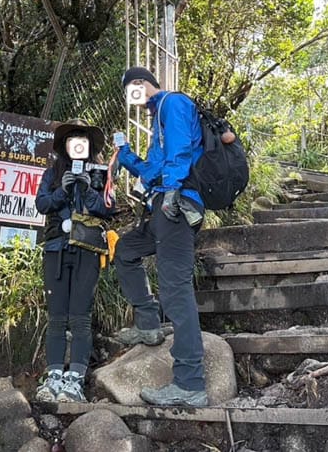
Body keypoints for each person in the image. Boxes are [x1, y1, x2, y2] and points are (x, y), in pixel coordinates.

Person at [111, 66, 208, 407]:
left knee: (176, 289)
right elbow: (154, 169)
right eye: (129, 90)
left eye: (135, 86)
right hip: (159, 210)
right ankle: (149, 326)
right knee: (125, 250)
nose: (133, 93)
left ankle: (190, 382)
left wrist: (170, 191)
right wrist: (125, 155)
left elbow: (181, 151)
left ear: (146, 85)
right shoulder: (157, 120)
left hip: (176, 208)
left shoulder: (173, 102)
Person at [33, 118, 114, 403]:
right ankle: (53, 377)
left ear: (89, 146)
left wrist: (88, 188)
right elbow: (42, 204)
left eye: (83, 141)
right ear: (64, 147)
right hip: (56, 249)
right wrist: (63, 189)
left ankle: (75, 381)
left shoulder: (102, 174)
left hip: (87, 250)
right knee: (56, 318)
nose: (77, 145)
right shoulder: (52, 174)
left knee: (80, 317)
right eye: (72, 141)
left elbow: (108, 208)